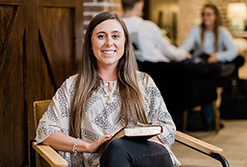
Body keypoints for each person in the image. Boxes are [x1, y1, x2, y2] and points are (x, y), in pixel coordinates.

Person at [35, 11, 180, 167]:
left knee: (118, 146)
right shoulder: (73, 86)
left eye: (116, 36)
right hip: (103, 162)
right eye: (101, 36)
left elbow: (167, 128)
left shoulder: (144, 82)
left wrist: (132, 139)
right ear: (90, 44)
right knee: (116, 148)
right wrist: (89, 147)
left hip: (149, 159)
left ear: (125, 44)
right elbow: (46, 131)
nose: (109, 43)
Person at [181, 4, 243, 131]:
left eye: (208, 14)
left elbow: (234, 51)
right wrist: (183, 54)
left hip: (213, 68)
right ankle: (205, 119)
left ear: (215, 16)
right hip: (200, 64)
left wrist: (217, 56)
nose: (205, 17)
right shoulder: (196, 30)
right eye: (203, 14)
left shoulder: (222, 31)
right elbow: (184, 48)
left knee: (207, 80)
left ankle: (208, 119)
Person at [122, 0, 192, 63]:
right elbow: (169, 51)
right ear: (139, 5)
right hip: (158, 68)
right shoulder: (147, 26)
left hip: (136, 67)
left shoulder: (117, 27)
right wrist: (184, 54)